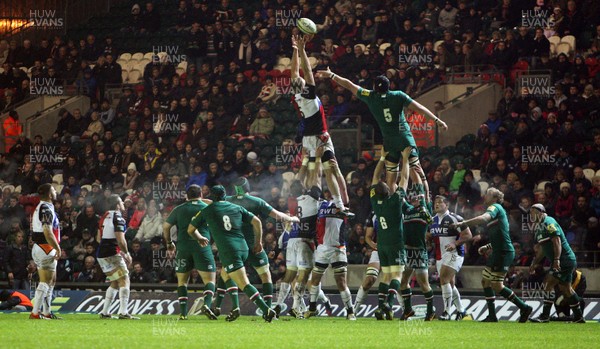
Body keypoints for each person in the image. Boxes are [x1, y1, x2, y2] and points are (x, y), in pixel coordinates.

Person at [316, 66, 447, 206]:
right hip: (404, 138)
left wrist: (332, 75)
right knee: (417, 173)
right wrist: (437, 121)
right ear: (389, 86)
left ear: (374, 87)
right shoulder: (398, 95)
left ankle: (398, 206)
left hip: (389, 142)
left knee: (391, 180)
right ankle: (426, 204)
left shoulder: (371, 97)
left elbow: (349, 85)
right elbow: (419, 108)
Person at [188, 185, 276, 322]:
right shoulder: (236, 207)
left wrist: (199, 238)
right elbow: (257, 221)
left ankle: (266, 310)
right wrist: (258, 241)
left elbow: (190, 229)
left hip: (229, 251)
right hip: (244, 248)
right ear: (224, 195)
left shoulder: (208, 210)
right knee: (225, 275)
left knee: (244, 284)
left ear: (212, 196)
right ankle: (234, 308)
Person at [291, 34, 351, 216]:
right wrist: (302, 49)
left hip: (310, 138)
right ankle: (340, 204)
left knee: (317, 171)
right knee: (329, 168)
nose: (300, 78)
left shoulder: (297, 96)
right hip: (319, 136)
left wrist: (294, 50)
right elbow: (307, 73)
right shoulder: (307, 97)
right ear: (302, 87)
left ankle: (319, 202)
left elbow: (294, 73)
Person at [452, 188, 532, 322]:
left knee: (496, 285)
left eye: (488, 194)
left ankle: (523, 307)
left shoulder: (496, 207)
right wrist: (488, 246)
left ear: (495, 198)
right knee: (486, 282)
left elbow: (484, 218)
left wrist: (464, 223)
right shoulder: (497, 211)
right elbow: (500, 236)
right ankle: (493, 316)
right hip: (499, 251)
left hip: (503, 253)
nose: (485, 195)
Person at [223, 177, 299, 319]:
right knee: (265, 275)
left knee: (227, 275)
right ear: (248, 188)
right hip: (253, 245)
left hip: (235, 246)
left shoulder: (228, 200)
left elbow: (209, 203)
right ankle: (268, 309)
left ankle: (232, 307)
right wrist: (292, 219)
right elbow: (277, 216)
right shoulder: (256, 201)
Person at [163, 184, 217, 320]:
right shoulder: (207, 208)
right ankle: (207, 304)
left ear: (186, 196)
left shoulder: (178, 209)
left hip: (183, 247)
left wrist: (169, 243)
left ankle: (183, 313)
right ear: (202, 195)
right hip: (202, 246)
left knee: (182, 281)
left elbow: (166, 226)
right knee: (210, 280)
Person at [370, 147, 411, 320]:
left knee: (385, 275)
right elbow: (405, 179)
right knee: (397, 275)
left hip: (382, 244)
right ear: (387, 191)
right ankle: (390, 302)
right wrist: (405, 159)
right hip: (395, 242)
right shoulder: (394, 201)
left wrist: (381, 159)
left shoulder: (374, 200)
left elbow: (374, 178)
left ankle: (380, 308)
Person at [528, 204, 585, 323]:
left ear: (541, 212)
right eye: (530, 212)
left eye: (533, 212)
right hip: (565, 260)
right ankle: (579, 317)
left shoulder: (549, 222)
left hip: (564, 260)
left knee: (548, 283)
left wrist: (556, 260)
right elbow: (543, 250)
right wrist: (534, 262)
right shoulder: (539, 228)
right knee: (566, 289)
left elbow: (557, 241)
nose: (531, 214)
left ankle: (544, 316)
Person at [304, 196, 355, 320]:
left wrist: (346, 212)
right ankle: (312, 309)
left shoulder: (342, 205)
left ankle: (350, 312)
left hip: (338, 248)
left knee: (341, 282)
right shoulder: (321, 205)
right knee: (314, 280)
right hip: (322, 248)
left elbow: (352, 216)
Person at [429, 195, 472, 320]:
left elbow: (468, 235)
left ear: (446, 205)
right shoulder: (432, 220)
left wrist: (455, 243)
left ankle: (447, 312)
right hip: (439, 255)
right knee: (450, 284)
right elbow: (430, 235)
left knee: (444, 279)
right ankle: (461, 310)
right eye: (435, 203)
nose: (436, 204)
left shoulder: (455, 218)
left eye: (440, 202)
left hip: (455, 254)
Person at [97, 194, 139, 320]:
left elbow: (98, 238)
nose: (123, 204)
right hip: (111, 252)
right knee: (125, 279)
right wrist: (126, 253)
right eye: (121, 202)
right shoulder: (118, 217)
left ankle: (105, 312)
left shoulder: (103, 217)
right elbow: (121, 240)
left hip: (102, 251)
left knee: (115, 281)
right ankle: (123, 312)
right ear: (117, 205)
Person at [399, 186, 436, 321]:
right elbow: (399, 194)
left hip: (419, 251)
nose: (415, 199)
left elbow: (430, 220)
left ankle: (430, 311)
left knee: (423, 283)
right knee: (403, 281)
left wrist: (422, 178)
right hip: (407, 250)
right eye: (413, 197)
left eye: (418, 198)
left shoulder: (425, 209)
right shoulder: (407, 209)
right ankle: (408, 310)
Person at [30, 183, 62, 320]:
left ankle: (47, 312)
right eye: (54, 190)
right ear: (50, 194)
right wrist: (57, 247)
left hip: (41, 246)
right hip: (45, 246)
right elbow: (47, 231)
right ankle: (35, 313)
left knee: (51, 280)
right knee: (45, 281)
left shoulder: (42, 206)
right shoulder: (46, 208)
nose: (56, 191)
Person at [353, 211, 380, 311]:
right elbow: (368, 237)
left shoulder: (397, 209)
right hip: (379, 251)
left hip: (394, 251)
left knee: (397, 282)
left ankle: (406, 311)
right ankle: (353, 311)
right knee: (370, 279)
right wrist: (374, 246)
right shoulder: (374, 214)